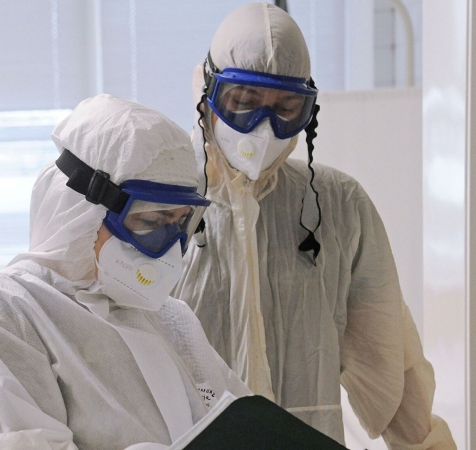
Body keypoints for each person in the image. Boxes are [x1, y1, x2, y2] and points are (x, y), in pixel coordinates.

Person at [172, 3, 456, 449]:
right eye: (243, 103)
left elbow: (392, 360)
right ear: (206, 93)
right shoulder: (164, 204)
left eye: (286, 108)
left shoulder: (337, 206)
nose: (264, 129)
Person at [0, 94, 250, 450]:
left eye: (178, 222)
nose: (169, 246)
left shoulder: (171, 319)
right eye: (151, 221)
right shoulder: (0, 313)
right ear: (80, 213)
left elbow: (244, 422)